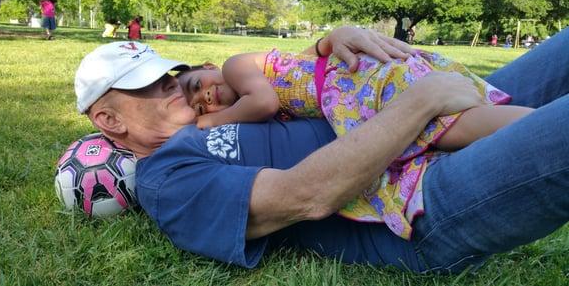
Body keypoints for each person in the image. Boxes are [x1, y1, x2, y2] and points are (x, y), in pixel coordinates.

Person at [74, 26, 569, 273]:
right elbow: (303, 196)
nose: (172, 84)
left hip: (426, 124)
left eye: (169, 73)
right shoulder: (166, 177)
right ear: (109, 121)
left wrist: (330, 42)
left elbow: (291, 82)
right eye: (147, 85)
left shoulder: (220, 107)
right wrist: (424, 100)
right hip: (419, 206)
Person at [176, 47, 531, 238]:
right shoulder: (248, 84)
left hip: (357, 84)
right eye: (199, 105)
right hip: (353, 90)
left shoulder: (237, 66)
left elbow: (264, 102)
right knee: (449, 127)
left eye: (197, 85)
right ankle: (541, 121)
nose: (206, 96)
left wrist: (211, 119)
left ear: (209, 65)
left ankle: (544, 124)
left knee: (448, 127)